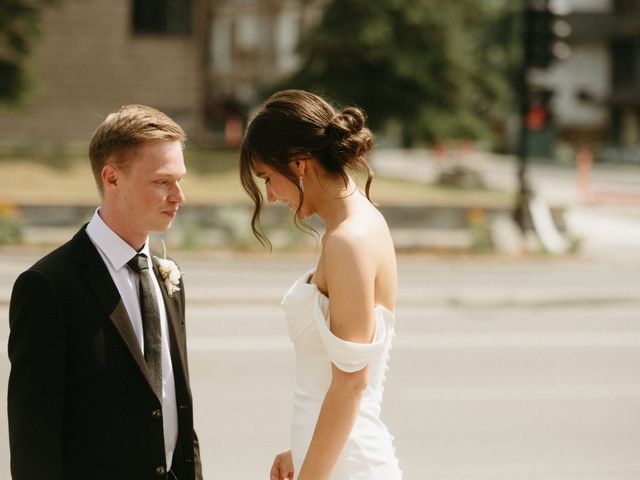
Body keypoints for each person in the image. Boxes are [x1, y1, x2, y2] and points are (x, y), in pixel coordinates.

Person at [7, 105, 202, 480]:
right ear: (112, 178)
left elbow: (175, 408)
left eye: (180, 180)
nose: (178, 196)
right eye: (162, 182)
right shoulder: (49, 286)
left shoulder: (167, 277)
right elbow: (34, 439)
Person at [240, 90, 402, 480]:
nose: (271, 195)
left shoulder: (349, 241)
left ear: (299, 163)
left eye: (267, 178)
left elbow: (351, 385)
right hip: (335, 458)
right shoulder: (356, 226)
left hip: (349, 468)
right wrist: (301, 450)